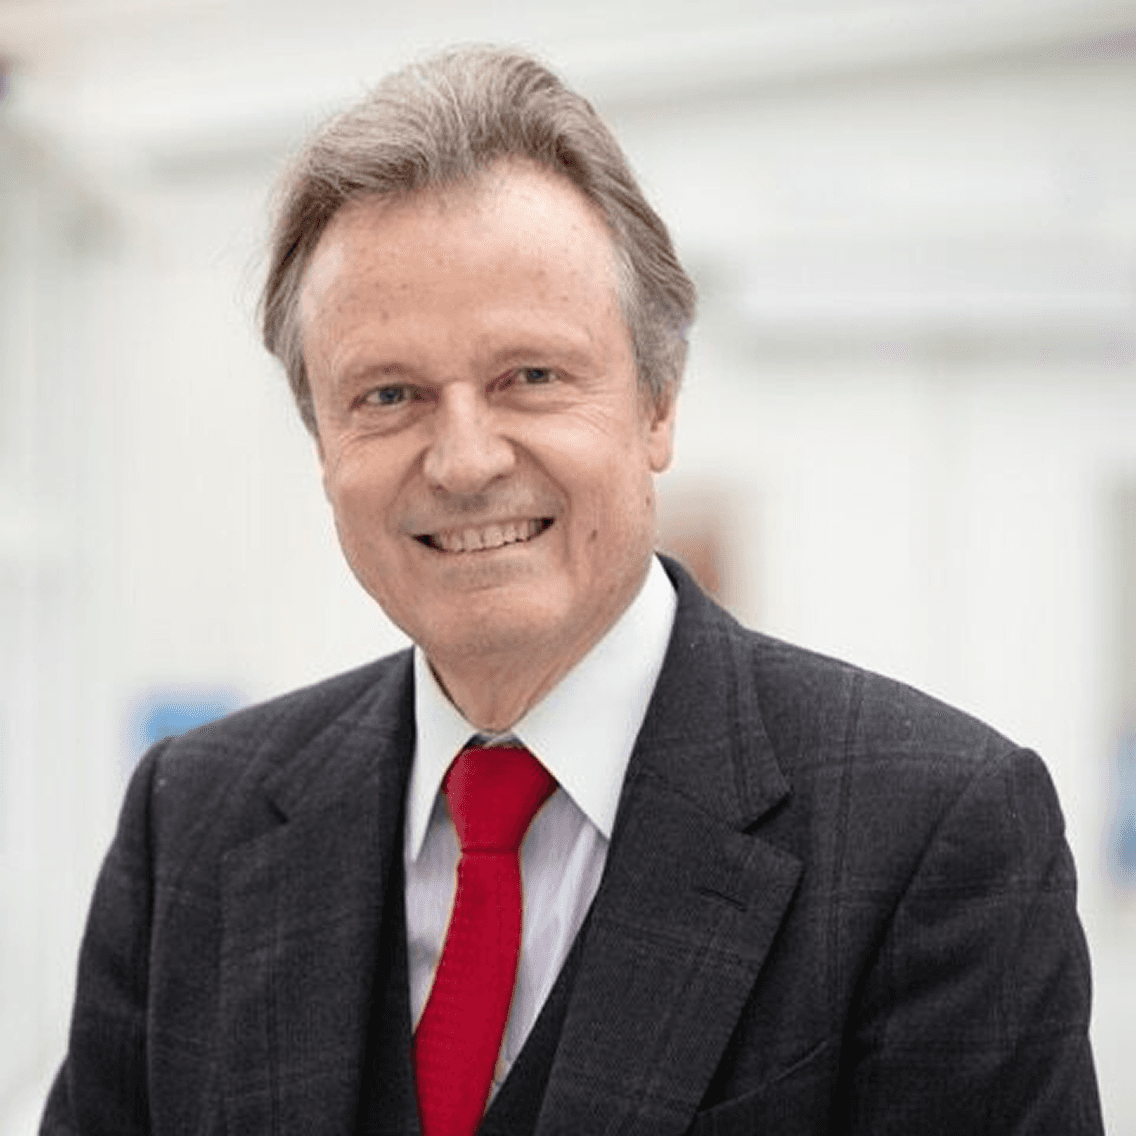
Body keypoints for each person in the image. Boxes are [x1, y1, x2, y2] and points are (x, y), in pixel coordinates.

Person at [42, 46, 1102, 1136]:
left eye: (530, 376)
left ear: (656, 403)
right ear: (323, 445)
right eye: (388, 393)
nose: (460, 459)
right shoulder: (191, 823)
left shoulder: (932, 829)